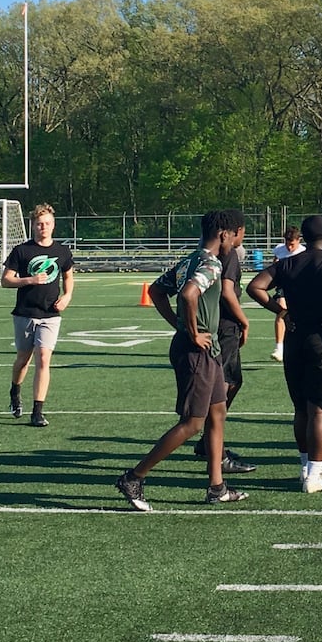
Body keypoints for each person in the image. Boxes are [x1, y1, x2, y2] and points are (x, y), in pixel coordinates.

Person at [115, 210, 247, 510]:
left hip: (206, 350)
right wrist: (190, 330)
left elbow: (157, 291)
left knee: (217, 413)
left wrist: (178, 324)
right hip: (196, 350)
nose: (235, 244)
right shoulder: (211, 263)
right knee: (193, 423)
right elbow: (188, 295)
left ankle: (217, 487)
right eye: (234, 237)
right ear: (224, 234)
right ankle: (134, 477)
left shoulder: (190, 259)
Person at [247, 214, 322, 492]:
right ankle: (314, 475)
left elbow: (255, 287)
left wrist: (282, 312)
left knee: (300, 408)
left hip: (296, 338)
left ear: (303, 239)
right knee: (319, 409)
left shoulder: (287, 263)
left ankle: (306, 465)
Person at [2, 203, 75, 427]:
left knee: (44, 358)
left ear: (53, 225)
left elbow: (68, 277)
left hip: (50, 314)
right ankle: (15, 391)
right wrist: (30, 280)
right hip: (25, 313)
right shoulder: (22, 251)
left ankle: (38, 410)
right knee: (24, 359)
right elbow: (6, 280)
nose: (43, 227)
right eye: (39, 224)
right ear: (33, 225)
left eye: (47, 223)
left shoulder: (62, 251)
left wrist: (67, 296)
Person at [192, 210, 254, 473]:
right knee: (222, 389)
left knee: (231, 383)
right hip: (224, 326)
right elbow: (227, 292)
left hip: (220, 326)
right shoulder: (226, 255)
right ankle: (213, 446)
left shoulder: (216, 254)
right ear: (232, 232)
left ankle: (210, 444)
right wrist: (244, 320)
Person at [269, 225, 306, 362]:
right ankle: (279, 348)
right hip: (283, 285)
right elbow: (274, 264)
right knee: (282, 311)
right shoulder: (279, 249)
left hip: (298, 287)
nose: (289, 247)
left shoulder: (304, 252)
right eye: (287, 243)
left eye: (292, 244)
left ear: (299, 241)